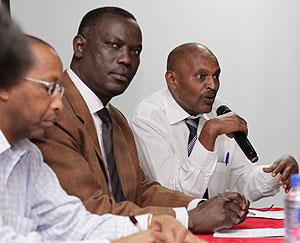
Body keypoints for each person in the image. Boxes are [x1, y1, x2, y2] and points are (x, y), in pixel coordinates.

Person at [33, 7, 249, 234]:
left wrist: (201, 206)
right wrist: (188, 217)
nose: (126, 59)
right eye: (113, 45)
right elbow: (89, 210)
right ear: (80, 46)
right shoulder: (51, 113)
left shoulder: (115, 119)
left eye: (135, 51)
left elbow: (141, 190)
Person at [0, 7, 202, 243]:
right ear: (5, 86)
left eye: (135, 51)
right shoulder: (51, 126)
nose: (58, 103)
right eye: (50, 88)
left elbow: (73, 223)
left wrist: (154, 226)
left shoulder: (28, 156)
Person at [130, 42, 298, 202]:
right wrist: (208, 133)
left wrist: (276, 174)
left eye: (216, 76)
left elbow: (241, 180)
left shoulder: (217, 110)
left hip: (217, 226)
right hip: (169, 227)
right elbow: (174, 197)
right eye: (201, 76)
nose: (213, 85)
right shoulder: (148, 118)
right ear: (172, 79)